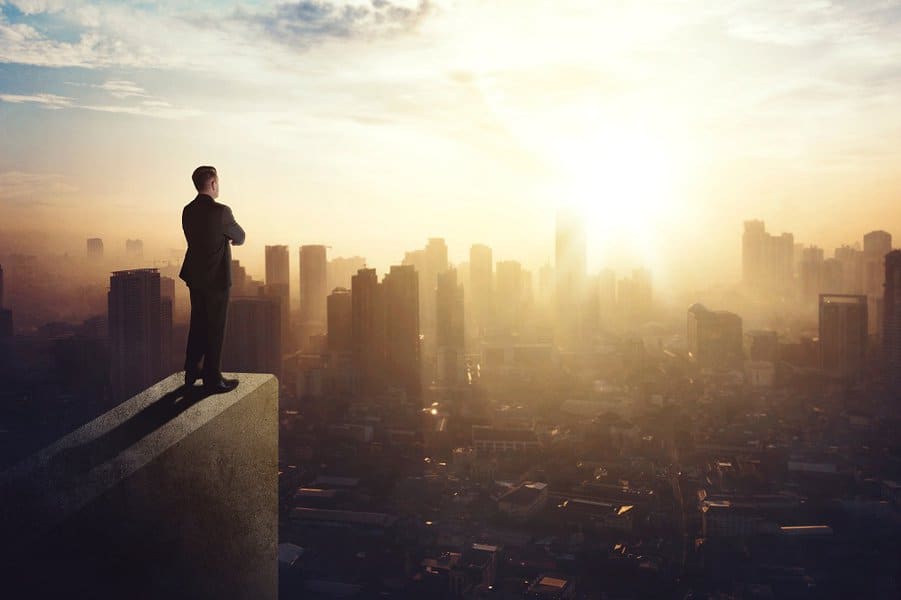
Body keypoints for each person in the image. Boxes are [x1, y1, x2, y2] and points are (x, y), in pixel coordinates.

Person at [178, 165, 245, 393]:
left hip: (195, 277)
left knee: (198, 322)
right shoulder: (222, 212)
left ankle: (191, 370)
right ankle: (212, 377)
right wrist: (228, 238)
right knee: (215, 326)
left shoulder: (187, 210)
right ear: (214, 183)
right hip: (216, 279)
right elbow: (240, 236)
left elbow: (200, 238)